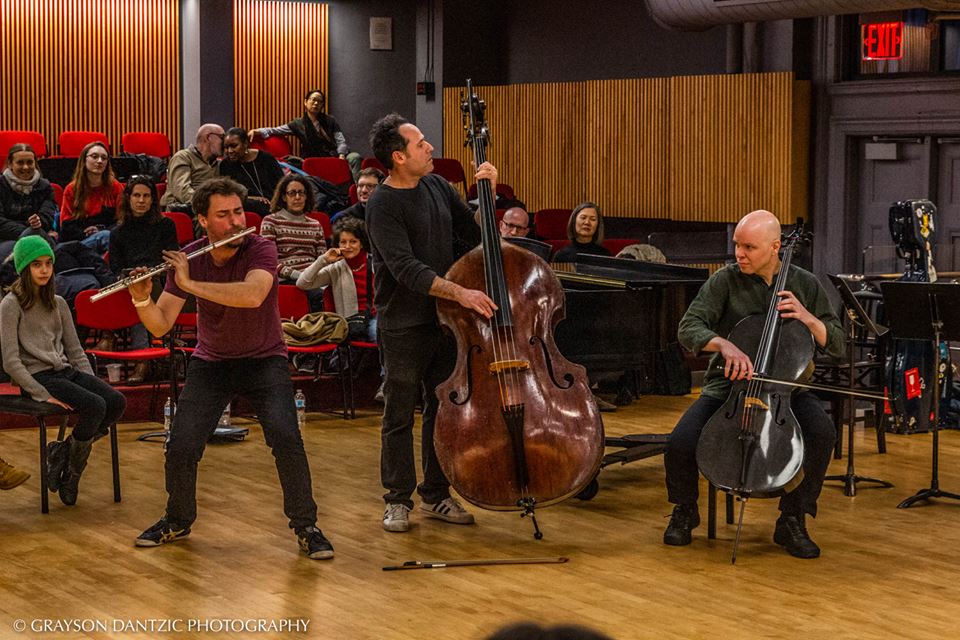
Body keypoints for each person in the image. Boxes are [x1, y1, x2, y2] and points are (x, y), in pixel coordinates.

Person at [127, 177, 333, 560]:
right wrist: (142, 300)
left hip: (264, 359)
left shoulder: (261, 247)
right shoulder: (189, 258)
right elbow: (160, 325)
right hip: (213, 361)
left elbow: (253, 295)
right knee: (181, 444)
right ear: (203, 221)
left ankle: (306, 527)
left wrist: (190, 282)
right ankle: (177, 519)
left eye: (238, 212)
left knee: (286, 439)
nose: (237, 221)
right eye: (224, 215)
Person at [662, 209, 844, 559]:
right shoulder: (725, 281)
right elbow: (688, 327)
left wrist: (807, 317)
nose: (739, 254)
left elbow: (836, 342)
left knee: (822, 434)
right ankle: (685, 509)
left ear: (775, 247)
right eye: (737, 245)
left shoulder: (805, 283)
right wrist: (723, 345)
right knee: (680, 442)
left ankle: (792, 518)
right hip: (728, 388)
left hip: (786, 391)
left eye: (749, 247)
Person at [366, 112, 498, 533]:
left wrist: (488, 195)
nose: (430, 147)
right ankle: (397, 499)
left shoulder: (438, 186)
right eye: (421, 143)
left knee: (443, 409)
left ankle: (436, 494)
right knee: (400, 413)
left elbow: (472, 237)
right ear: (399, 156)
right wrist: (461, 293)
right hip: (404, 322)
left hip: (446, 321)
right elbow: (406, 269)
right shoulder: (381, 204)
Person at [0, 236, 126, 505]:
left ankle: (64, 455)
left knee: (115, 401)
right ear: (24, 268)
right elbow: (10, 361)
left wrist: (90, 382)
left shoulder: (58, 302)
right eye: (37, 264)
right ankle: (72, 474)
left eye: (48, 263)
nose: (44, 270)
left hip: (64, 372)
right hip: (38, 377)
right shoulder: (11, 304)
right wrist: (40, 393)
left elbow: (76, 351)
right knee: (94, 406)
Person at [108, 176, 179, 383]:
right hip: (131, 281)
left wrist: (151, 272)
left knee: (143, 292)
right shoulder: (117, 232)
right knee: (137, 292)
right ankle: (143, 359)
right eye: (137, 195)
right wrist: (132, 276)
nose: (141, 200)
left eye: (146, 196)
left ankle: (142, 361)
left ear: (153, 199)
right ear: (128, 198)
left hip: (160, 278)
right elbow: (115, 268)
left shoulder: (166, 225)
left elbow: (172, 257)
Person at [297, 216, 376, 342]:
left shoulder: (375, 263)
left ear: (361, 243)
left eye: (353, 241)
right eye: (343, 242)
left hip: (376, 317)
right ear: (337, 245)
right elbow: (303, 283)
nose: (348, 246)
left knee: (378, 332)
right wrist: (323, 260)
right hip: (350, 322)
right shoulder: (335, 268)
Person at [252, 89, 361, 178]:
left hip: (335, 156)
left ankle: (356, 190)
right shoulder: (298, 124)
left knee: (355, 157)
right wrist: (257, 131)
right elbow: (275, 130)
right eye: (313, 100)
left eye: (320, 101)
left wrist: (341, 155)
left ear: (322, 105)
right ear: (305, 102)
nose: (316, 103)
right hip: (313, 160)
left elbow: (341, 141)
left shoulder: (330, 120)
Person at [260, 174, 326, 309]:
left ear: (307, 196)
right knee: (318, 296)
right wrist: (299, 275)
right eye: (292, 193)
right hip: (287, 279)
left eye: (301, 193)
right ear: (284, 197)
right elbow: (268, 261)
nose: (297, 197)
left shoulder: (315, 225)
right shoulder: (270, 222)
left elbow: (322, 259)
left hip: (312, 278)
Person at [59, 142, 124, 251]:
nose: (100, 161)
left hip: (107, 237)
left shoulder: (116, 187)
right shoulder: (71, 189)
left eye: (104, 158)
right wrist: (86, 233)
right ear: (84, 160)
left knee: (106, 236)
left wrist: (99, 230)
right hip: (80, 242)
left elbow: (121, 221)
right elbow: (65, 227)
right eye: (94, 157)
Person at [160, 124, 234, 214]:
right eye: (222, 137)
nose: (225, 143)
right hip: (182, 210)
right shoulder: (183, 157)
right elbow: (182, 192)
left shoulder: (219, 164)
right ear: (208, 137)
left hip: (209, 211)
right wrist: (210, 205)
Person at [0, 143, 57, 253]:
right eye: (20, 162)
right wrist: (28, 229)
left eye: (30, 162)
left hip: (38, 237)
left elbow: (47, 218)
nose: (25, 167)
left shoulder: (45, 186)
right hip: (6, 239)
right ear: (10, 164)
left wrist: (37, 224)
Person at [218, 127, 284, 217]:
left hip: (273, 203)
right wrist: (251, 198)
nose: (229, 151)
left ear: (245, 143)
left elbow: (281, 185)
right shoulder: (225, 165)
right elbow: (227, 193)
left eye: (234, 146)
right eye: (226, 147)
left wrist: (274, 202)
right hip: (246, 203)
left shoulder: (266, 159)